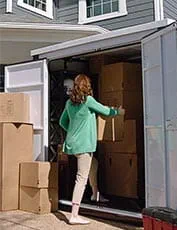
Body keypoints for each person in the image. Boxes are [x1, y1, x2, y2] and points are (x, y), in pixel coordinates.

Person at [59, 74, 124, 225]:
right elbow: (106, 111)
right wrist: (118, 112)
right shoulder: (88, 101)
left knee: (93, 165)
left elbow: (63, 122)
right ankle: (74, 215)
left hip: (73, 144)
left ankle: (95, 194)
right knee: (81, 179)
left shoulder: (70, 103)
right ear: (87, 86)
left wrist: (73, 131)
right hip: (83, 145)